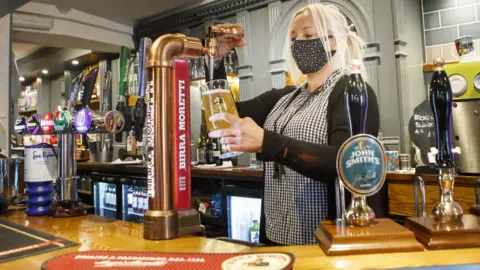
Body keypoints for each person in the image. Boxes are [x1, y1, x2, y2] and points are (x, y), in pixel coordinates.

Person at [206, 3, 380, 246]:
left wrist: (269, 143)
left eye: (308, 35)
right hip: (277, 233)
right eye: (294, 38)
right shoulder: (285, 97)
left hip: (322, 241)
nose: (299, 43)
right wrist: (216, 59)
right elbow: (225, 114)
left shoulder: (352, 91)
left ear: (332, 41)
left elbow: (346, 164)